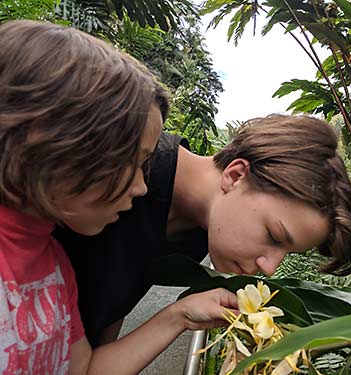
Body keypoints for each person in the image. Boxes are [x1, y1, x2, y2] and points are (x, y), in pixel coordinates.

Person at [0, 20, 237, 374]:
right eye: (135, 161)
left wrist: (179, 315)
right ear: (53, 142)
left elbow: (83, 369)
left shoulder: (53, 265)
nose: (142, 187)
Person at [56, 117, 351, 345]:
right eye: (273, 236)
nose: (269, 269)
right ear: (235, 175)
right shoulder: (119, 168)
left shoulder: (195, 233)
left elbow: (101, 324)